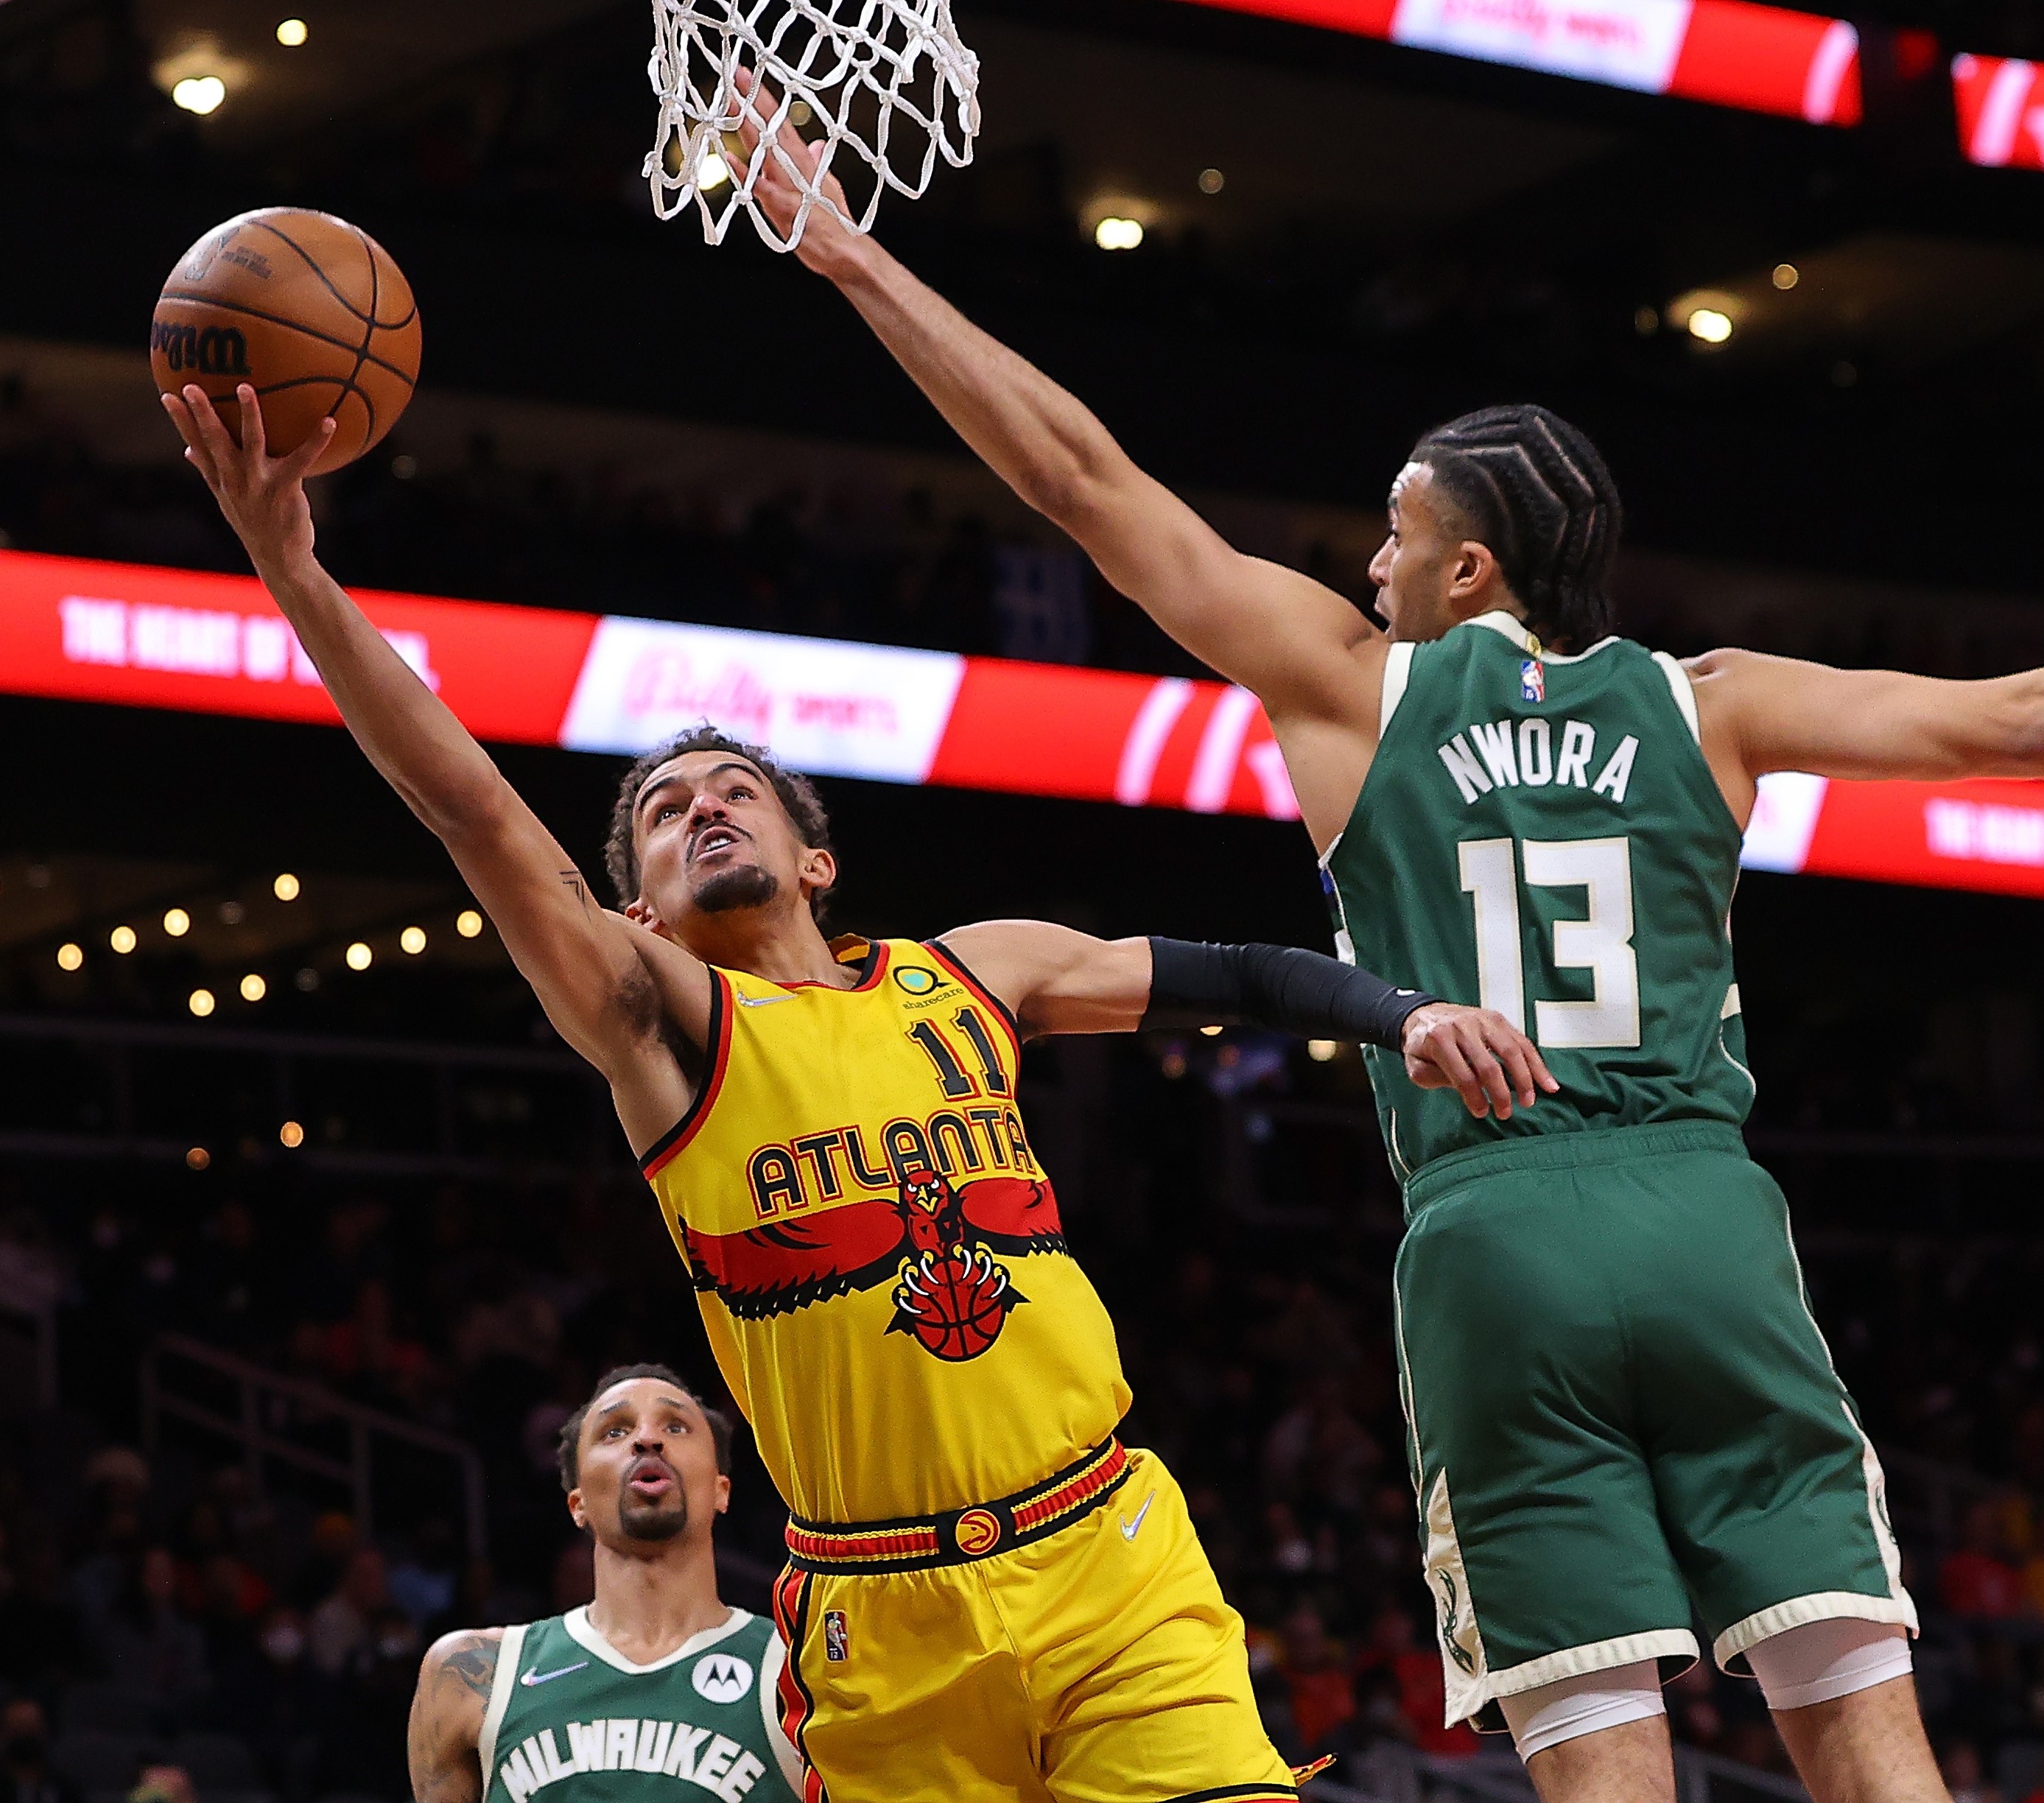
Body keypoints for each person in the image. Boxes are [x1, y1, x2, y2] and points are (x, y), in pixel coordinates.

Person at [719, 81, 2044, 1803]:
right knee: (1875, 1744)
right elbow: (2030, 719)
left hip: (1497, 1234)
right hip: (1704, 1218)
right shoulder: (1714, 704)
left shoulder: (1356, 694)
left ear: (1471, 576)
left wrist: (849, 252)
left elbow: (1083, 481)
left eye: (1394, 535)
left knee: (1601, 1762)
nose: (1365, 564)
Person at [164, 379, 1549, 1803]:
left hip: (1105, 1553)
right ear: (635, 910)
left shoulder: (972, 973)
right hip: (876, 1616)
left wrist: (1402, 1009)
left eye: (734, 789)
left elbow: (1240, 973)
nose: (702, 804)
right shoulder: (663, 1027)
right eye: (662, 811)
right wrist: (295, 572)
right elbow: (471, 806)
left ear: (817, 861)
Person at [406, 1366, 800, 1802]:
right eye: (615, 1432)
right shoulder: (473, 1673)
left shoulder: (801, 1670)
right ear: (578, 1504)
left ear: (720, 1489)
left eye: (676, 1426)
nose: (647, 1440)